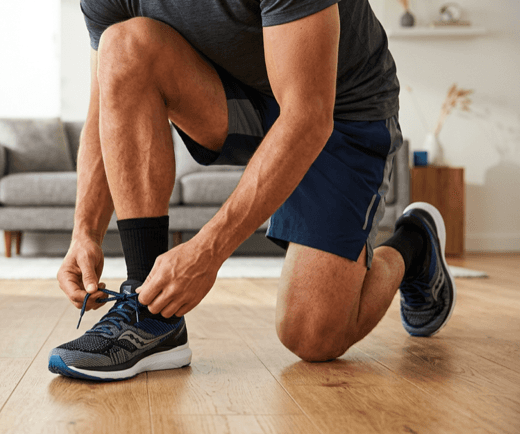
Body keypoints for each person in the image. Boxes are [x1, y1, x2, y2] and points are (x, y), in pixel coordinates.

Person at [47, 0, 456, 381]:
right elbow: (104, 104)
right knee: (123, 45)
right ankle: (152, 318)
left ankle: (415, 244)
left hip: (338, 110)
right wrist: (85, 231)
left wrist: (207, 252)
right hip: (236, 97)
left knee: (312, 336)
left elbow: (308, 115)